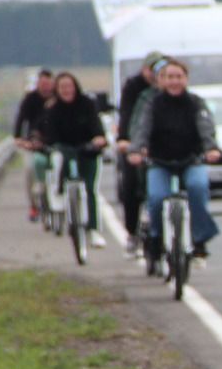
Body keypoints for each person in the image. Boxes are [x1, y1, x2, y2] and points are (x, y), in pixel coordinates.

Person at [126, 58, 222, 260]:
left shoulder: (196, 103)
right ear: (162, 80)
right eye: (170, 77)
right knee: (156, 197)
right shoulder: (152, 104)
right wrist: (136, 150)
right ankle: (156, 237)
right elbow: (142, 129)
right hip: (160, 161)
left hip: (191, 159)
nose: (174, 81)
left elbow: (205, 126)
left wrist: (211, 148)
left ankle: (199, 238)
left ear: (186, 79)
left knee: (198, 187)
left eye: (178, 77)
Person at [37, 70, 109, 247]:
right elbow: (48, 135)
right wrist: (43, 144)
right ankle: (58, 194)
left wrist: (99, 139)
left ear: (75, 87)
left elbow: (97, 128)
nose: (66, 90)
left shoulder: (87, 104)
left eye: (69, 86)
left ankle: (93, 229)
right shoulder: (53, 109)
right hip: (64, 150)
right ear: (57, 90)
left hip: (87, 151)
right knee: (57, 161)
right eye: (62, 87)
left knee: (90, 189)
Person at [114, 51, 162, 255]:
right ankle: (132, 232)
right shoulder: (135, 88)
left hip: (162, 145)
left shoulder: (171, 88)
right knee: (131, 186)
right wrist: (125, 141)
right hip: (136, 142)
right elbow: (127, 115)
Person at [12, 69, 54, 222]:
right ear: (38, 84)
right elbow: (21, 118)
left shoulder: (57, 98)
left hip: (52, 141)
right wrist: (18, 138)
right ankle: (34, 205)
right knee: (30, 169)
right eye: (43, 84)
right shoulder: (30, 99)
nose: (46, 88)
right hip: (33, 142)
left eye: (48, 84)